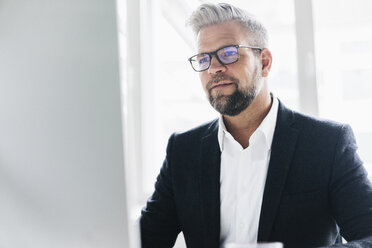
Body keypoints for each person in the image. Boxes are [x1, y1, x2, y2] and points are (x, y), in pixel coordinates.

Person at [140, 3, 372, 248]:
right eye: (203, 58)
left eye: (228, 53)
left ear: (265, 62)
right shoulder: (183, 151)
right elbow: (143, 240)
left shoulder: (327, 144)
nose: (214, 68)